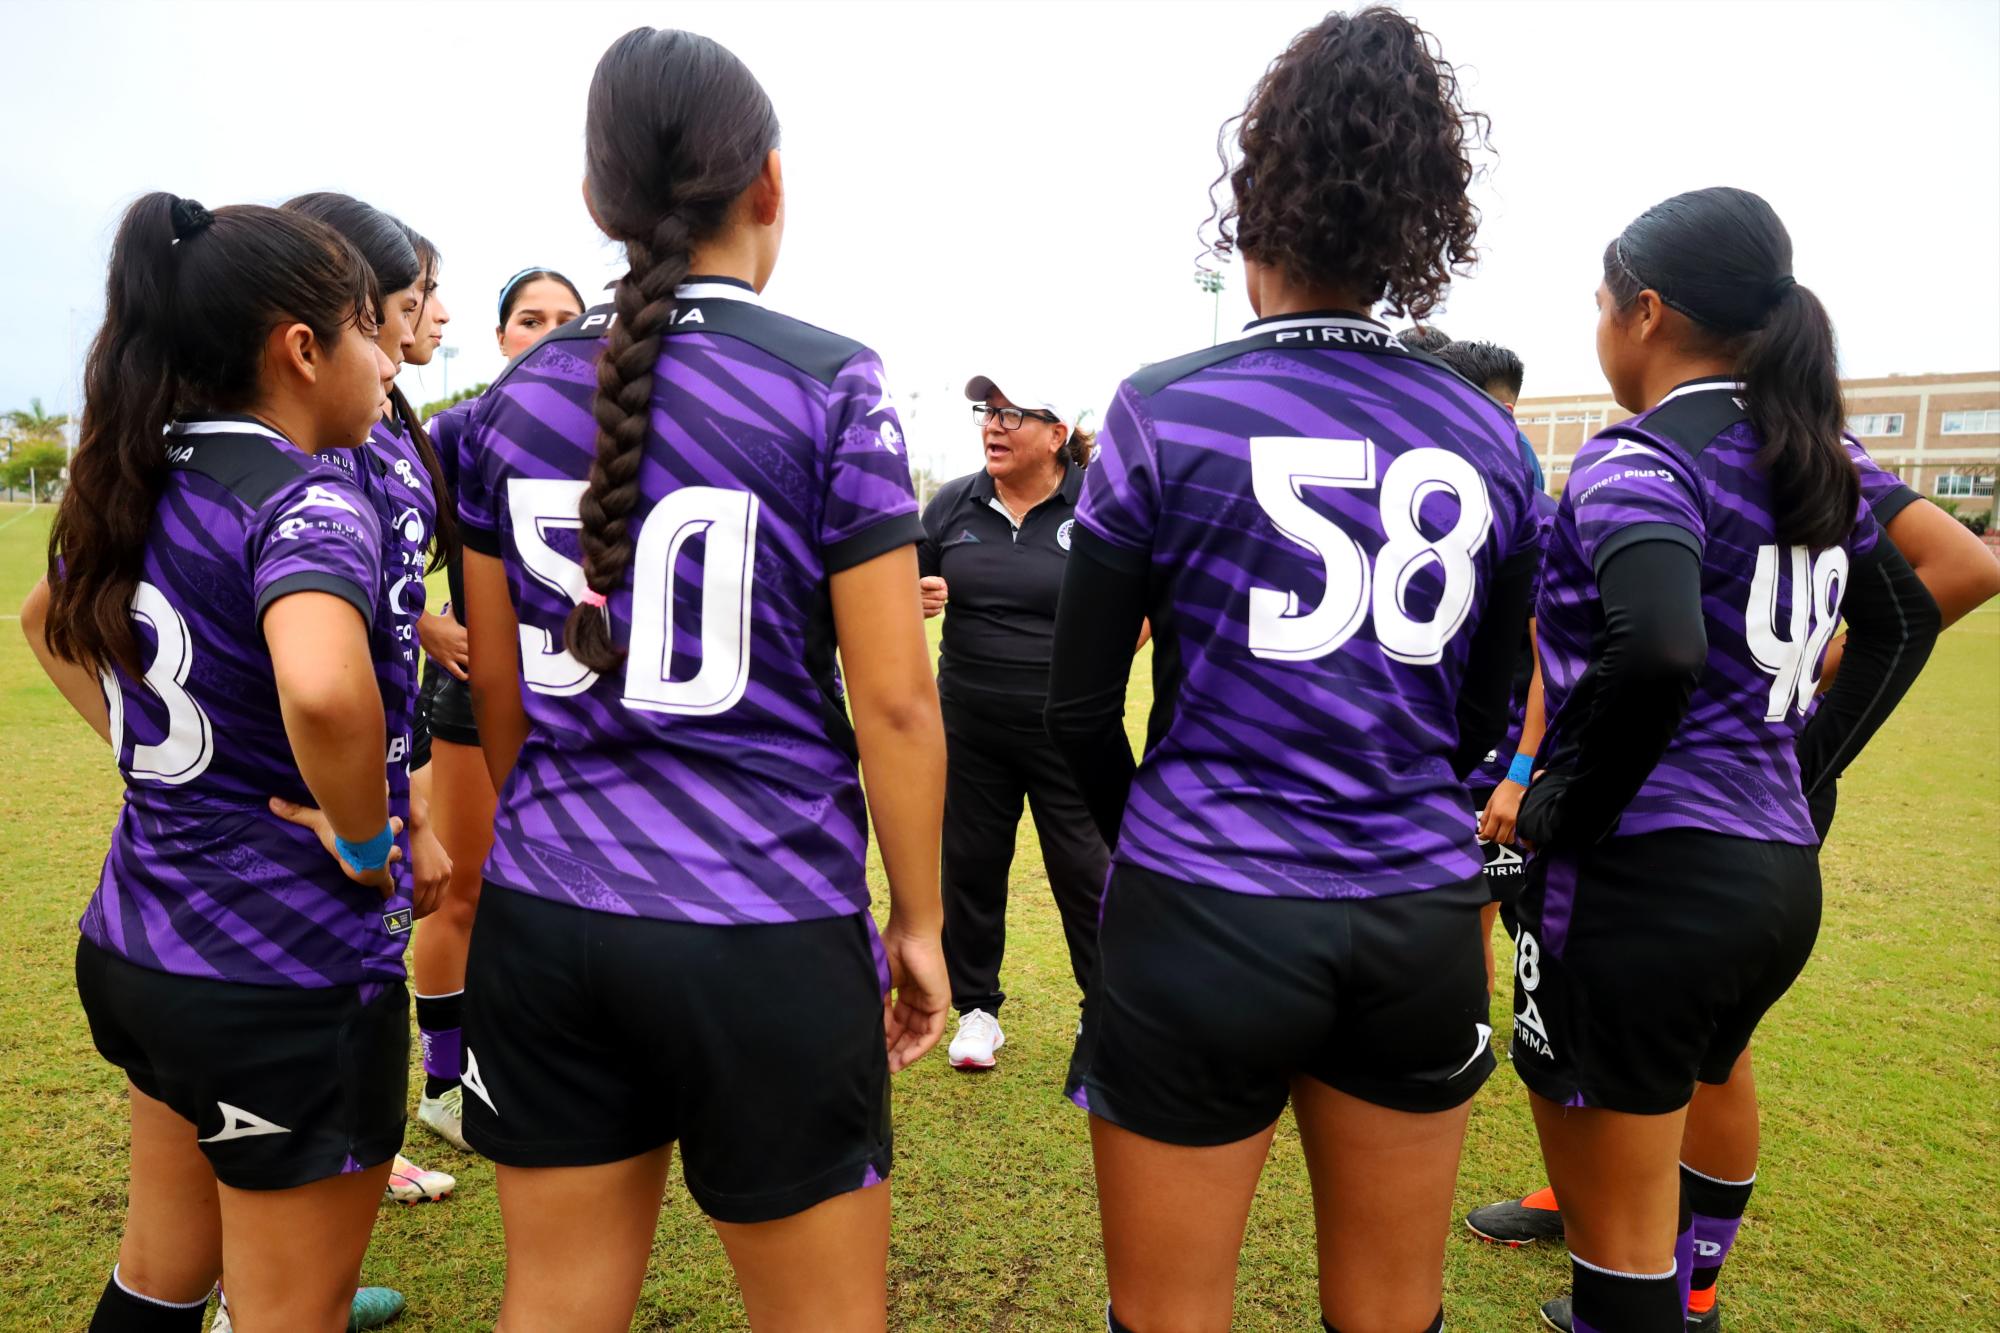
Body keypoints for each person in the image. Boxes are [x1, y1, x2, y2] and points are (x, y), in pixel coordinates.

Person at [1044, 11, 1538, 1331]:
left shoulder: (1167, 404)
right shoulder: (1490, 442)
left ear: (1254, 197)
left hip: (1203, 902)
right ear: (1418, 221)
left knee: (1168, 1314)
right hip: (1417, 914)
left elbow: (1080, 705)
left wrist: (1156, 822)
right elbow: (1490, 708)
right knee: (1390, 1312)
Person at [453, 28, 949, 1331]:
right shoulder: (829, 381)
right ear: (770, 184)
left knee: (553, 1301)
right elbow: (897, 701)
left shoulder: (503, 408)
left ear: (596, 204)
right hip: (762, 915)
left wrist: (571, 835)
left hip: (547, 910)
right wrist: (921, 922)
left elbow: (497, 698)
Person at [1503, 187, 1940, 1333]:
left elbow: (1654, 646)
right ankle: (1682, 1289)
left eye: (1599, 305)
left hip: (1640, 876)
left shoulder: (1634, 463)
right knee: (1680, 1130)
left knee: (1618, 1232)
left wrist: (1560, 805)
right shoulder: (1813, 452)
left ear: (1641, 312)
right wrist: (1798, 759)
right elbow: (1907, 614)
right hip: (1772, 871)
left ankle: (1650, 1304)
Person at [1464, 436, 2000, 1330]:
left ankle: (1669, 1281)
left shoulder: (1757, 448)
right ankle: (1644, 1251)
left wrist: (1792, 696)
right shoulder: (1766, 444)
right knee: (1688, 1048)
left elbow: (1956, 569)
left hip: (1675, 811)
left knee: (1682, 1051)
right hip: (1737, 813)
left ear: (1651, 310)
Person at [19, 194, 412, 1333]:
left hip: (141, 947)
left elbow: (45, 623)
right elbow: (327, 686)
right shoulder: (304, 494)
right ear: (302, 347)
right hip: (277, 973)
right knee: (290, 1312)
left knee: (160, 1274)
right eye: (367, 331)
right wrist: (365, 836)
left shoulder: (138, 466)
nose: (386, 362)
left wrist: (156, 762)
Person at [281, 192, 459, 1209]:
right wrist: (368, 824)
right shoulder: (308, 441)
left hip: (372, 779)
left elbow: (381, 618)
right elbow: (320, 664)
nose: (421, 321)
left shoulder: (388, 422)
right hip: (304, 807)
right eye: (406, 299)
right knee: (290, 1065)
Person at [404, 265, 585, 1150]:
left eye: (567, 318)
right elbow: (374, 555)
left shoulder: (623, 428)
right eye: (529, 318)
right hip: (480, 694)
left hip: (587, 704)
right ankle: (445, 1080)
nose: (548, 332)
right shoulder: (458, 430)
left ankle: (546, 1060)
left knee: (566, 890)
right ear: (503, 335)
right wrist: (430, 620)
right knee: (462, 891)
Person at [917, 372, 1109, 1071]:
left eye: (1012, 414)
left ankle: (1107, 1012)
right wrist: (918, 597)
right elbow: (902, 586)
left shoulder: (1096, 503)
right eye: (987, 413)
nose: (993, 426)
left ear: (1057, 433)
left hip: (1068, 731)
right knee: (970, 865)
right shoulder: (953, 503)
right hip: (969, 724)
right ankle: (976, 1011)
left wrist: (1095, 676)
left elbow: (1145, 597)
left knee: (1088, 872)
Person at [1435, 338, 1557, 991]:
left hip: (1497, 767)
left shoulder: (1532, 516)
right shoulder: (1436, 503)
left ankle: (1469, 1050)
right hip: (1433, 758)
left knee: (1471, 920)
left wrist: (1517, 772)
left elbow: (1550, 663)